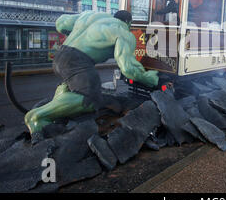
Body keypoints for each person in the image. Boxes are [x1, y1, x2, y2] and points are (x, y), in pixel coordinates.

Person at [24, 10, 159, 141]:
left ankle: (58, 115)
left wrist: (75, 37)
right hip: (78, 61)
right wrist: (150, 78)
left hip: (60, 55)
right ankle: (38, 117)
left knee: (74, 87)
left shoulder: (92, 16)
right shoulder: (123, 32)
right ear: (129, 23)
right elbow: (128, 69)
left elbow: (61, 23)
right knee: (90, 97)